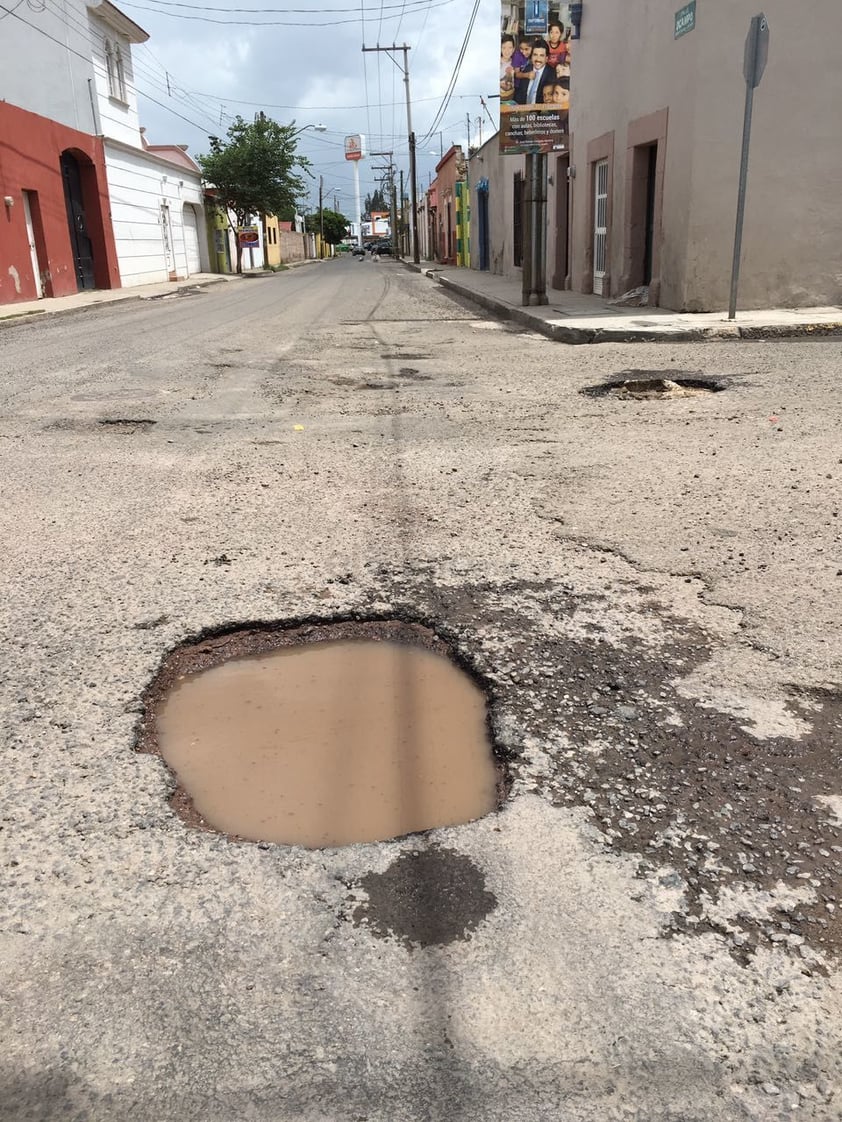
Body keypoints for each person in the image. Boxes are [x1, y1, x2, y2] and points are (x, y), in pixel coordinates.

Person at [514, 39, 554, 105]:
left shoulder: (551, 73)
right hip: (523, 111)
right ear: (531, 56)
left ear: (546, 58)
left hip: (540, 113)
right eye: (535, 55)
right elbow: (520, 93)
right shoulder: (527, 69)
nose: (538, 59)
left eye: (541, 55)